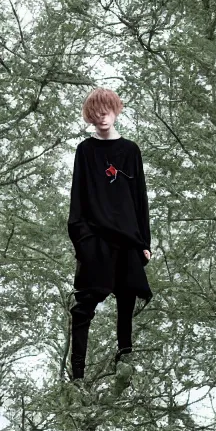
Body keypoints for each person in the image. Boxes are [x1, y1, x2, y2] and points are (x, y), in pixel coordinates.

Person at [66, 87, 152, 383]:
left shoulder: (130, 151)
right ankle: (77, 377)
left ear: (116, 110)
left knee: (127, 298)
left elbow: (139, 196)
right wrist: (82, 240)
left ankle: (124, 364)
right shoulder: (86, 151)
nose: (102, 115)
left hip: (128, 237)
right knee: (84, 306)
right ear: (90, 115)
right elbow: (78, 196)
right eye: (96, 111)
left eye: (107, 109)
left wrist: (144, 242)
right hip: (95, 238)